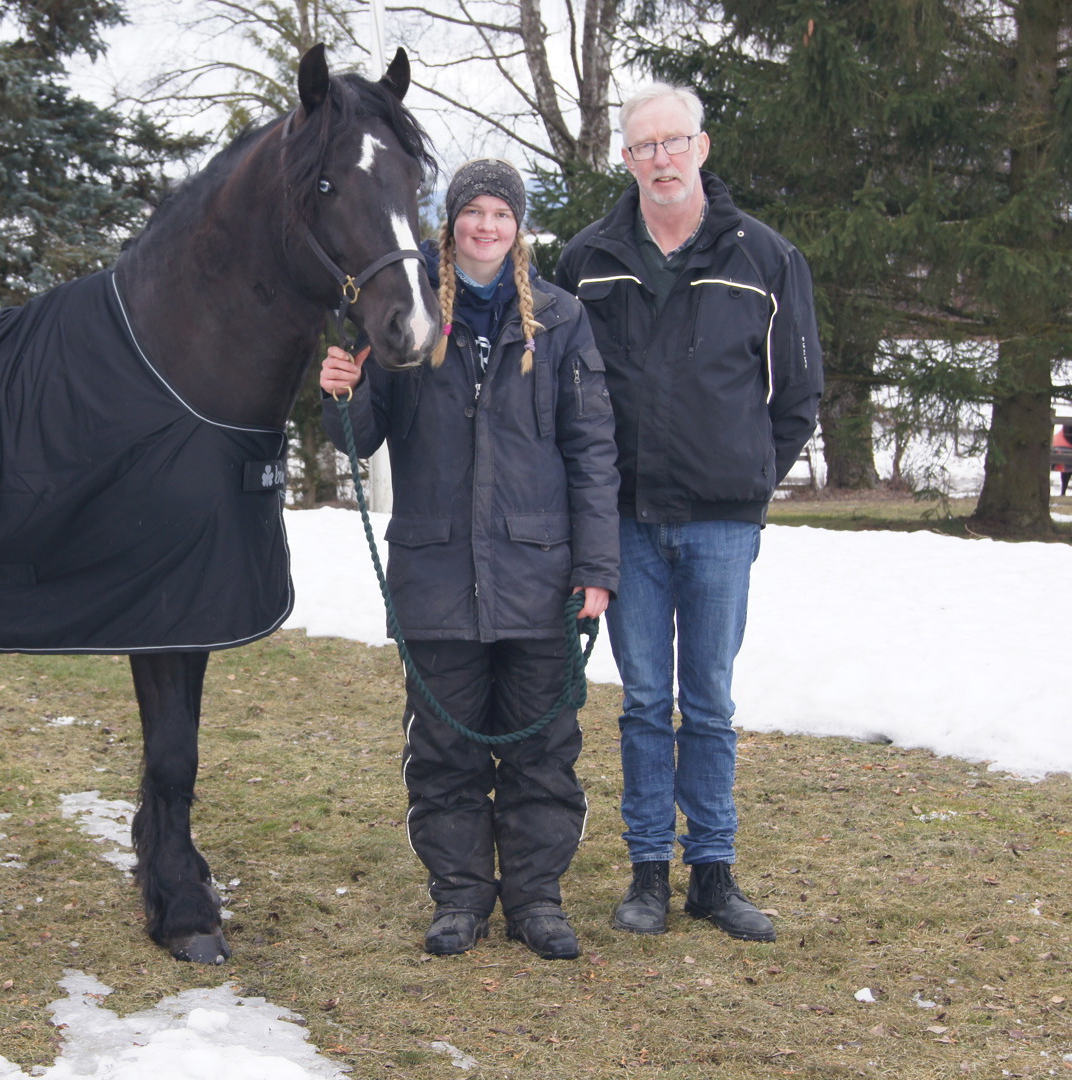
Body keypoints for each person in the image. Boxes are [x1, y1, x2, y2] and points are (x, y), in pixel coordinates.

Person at [320, 159, 619, 960]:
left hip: (540, 577)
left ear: (518, 226)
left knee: (542, 753)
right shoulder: (403, 307)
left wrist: (597, 568)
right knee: (444, 753)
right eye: (471, 212)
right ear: (450, 220)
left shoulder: (560, 319)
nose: (485, 226)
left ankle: (536, 900)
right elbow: (360, 437)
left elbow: (592, 449)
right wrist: (340, 390)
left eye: (500, 213)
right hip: (436, 573)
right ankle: (459, 898)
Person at [553, 84, 823, 942]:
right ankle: (646, 875)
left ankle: (713, 873)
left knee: (707, 702)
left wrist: (746, 480)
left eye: (674, 142)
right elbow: (556, 394)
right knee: (640, 704)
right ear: (625, 160)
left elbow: (797, 395)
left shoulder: (766, 259)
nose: (660, 159)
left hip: (718, 524)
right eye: (643, 147)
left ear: (701, 147)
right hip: (622, 521)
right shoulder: (586, 259)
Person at [1053, 424, 1071, 497]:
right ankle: (1063, 492)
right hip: (1064, 446)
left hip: (1061, 445)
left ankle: (1063, 492)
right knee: (1066, 470)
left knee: (1065, 471)